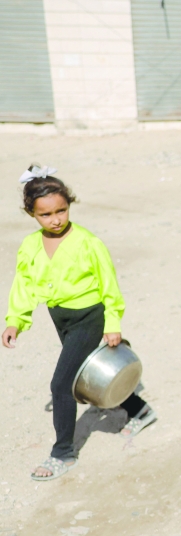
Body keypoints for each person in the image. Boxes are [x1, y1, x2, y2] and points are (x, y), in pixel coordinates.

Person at [3, 167, 157, 481]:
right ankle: (140, 409)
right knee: (87, 374)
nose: (56, 219)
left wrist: (112, 322)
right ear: (32, 213)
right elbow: (24, 284)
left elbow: (108, 285)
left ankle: (63, 453)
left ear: (69, 205)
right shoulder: (31, 245)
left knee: (62, 385)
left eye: (62, 210)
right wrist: (15, 321)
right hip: (60, 318)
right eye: (45, 214)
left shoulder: (88, 242)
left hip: (89, 316)